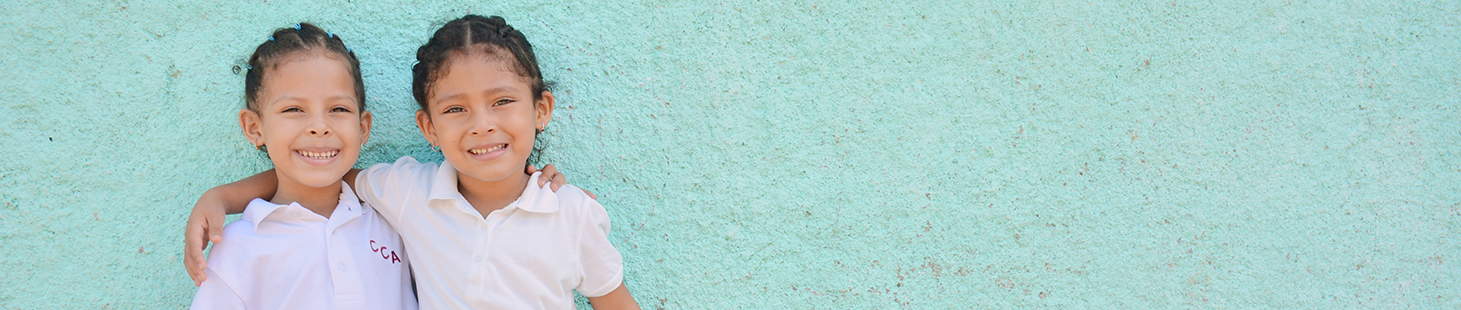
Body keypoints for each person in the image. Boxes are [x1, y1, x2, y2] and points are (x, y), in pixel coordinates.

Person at [185, 16, 640, 309]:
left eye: (502, 101)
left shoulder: (572, 213)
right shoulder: (406, 195)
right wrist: (223, 197)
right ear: (428, 127)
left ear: (540, 110)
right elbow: (323, 171)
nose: (482, 125)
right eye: (456, 108)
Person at [188, 23, 415, 309]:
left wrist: (219, 196)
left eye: (338, 109)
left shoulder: (393, 218)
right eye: (293, 109)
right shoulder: (238, 244)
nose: (319, 127)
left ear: (363, 126)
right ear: (254, 127)